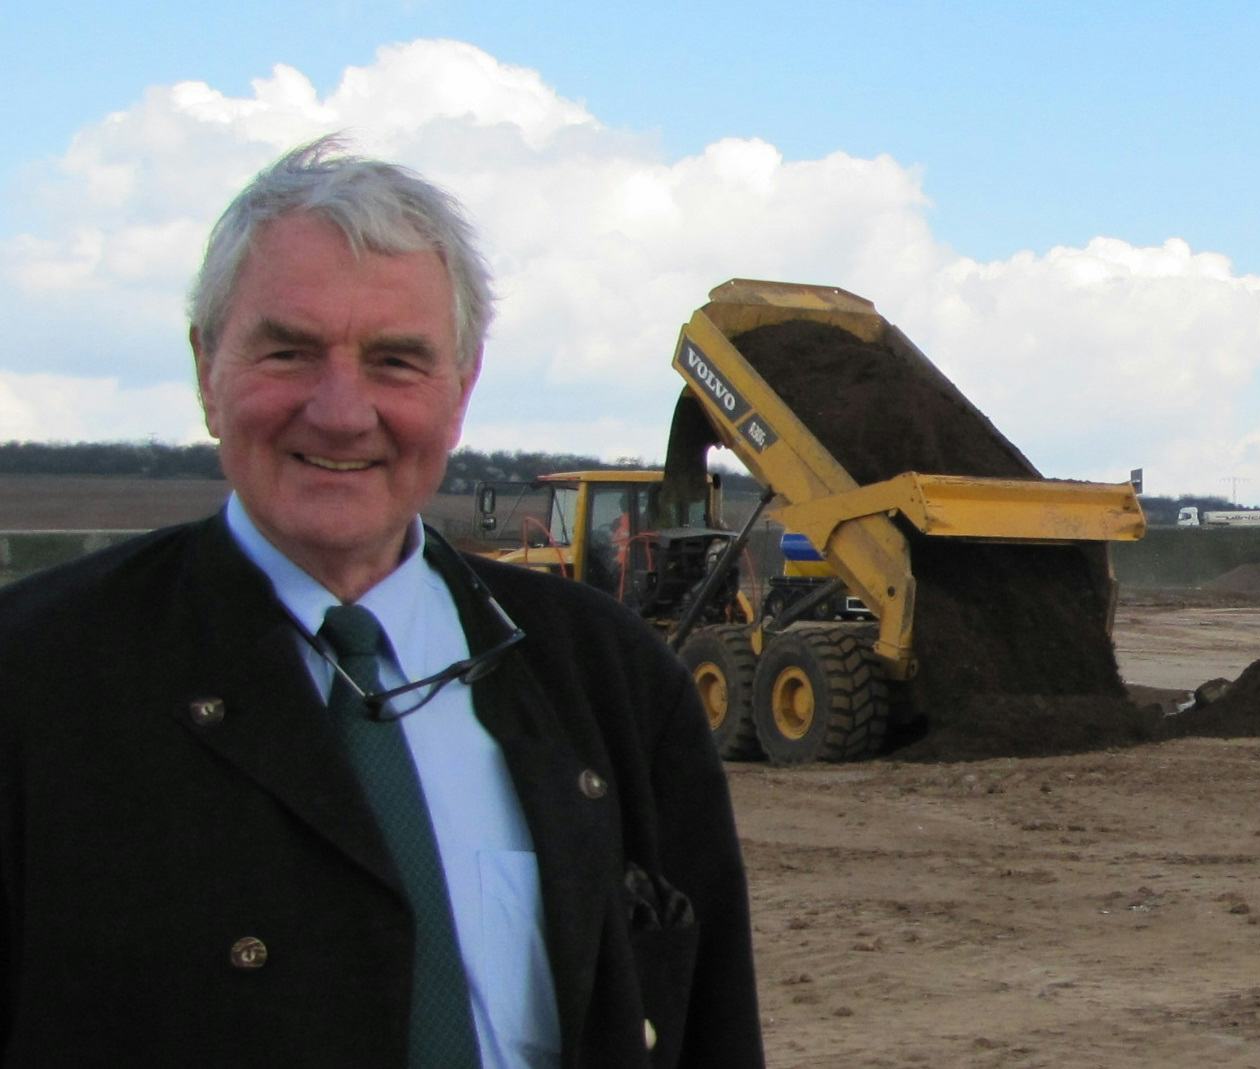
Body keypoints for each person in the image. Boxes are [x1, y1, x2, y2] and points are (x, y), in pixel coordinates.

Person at [0, 137, 765, 1069]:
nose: (339, 410)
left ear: (460, 389)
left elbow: (706, 1029)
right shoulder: (37, 682)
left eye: (396, 362)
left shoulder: (610, 682)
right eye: (288, 350)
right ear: (207, 369)